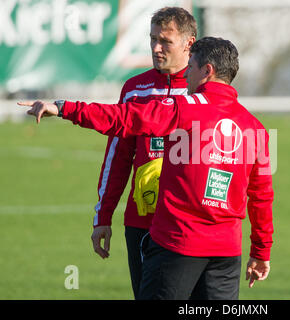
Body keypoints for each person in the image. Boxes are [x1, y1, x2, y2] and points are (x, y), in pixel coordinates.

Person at [19, 36, 274, 300]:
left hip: (177, 246)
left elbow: (125, 118)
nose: (186, 76)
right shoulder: (255, 127)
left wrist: (64, 108)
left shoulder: (184, 109)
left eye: (192, 67)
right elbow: (262, 197)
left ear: (207, 71)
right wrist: (261, 252)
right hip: (226, 255)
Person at [90, 7, 196, 299]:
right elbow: (118, 158)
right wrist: (103, 216)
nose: (156, 48)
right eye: (152, 39)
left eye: (165, 41)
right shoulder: (135, 89)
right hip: (142, 221)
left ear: (189, 43)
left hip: (189, 225)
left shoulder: (203, 90)